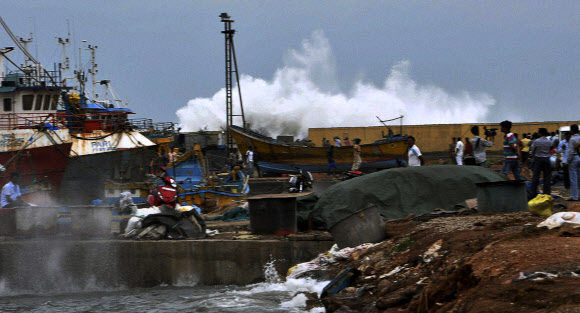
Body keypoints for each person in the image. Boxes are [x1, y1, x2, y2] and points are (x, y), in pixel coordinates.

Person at [530, 128, 552, 198]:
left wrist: (533, 155)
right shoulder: (549, 141)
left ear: (541, 133)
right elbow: (550, 149)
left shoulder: (537, 141)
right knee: (547, 177)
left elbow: (533, 151)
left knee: (536, 176)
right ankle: (547, 193)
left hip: (538, 159)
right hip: (547, 159)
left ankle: (533, 193)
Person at [567, 124, 580, 201]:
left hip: (574, 158)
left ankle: (574, 196)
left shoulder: (572, 139)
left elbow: (571, 152)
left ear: (572, 131)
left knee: (573, 179)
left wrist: (568, 161)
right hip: (579, 157)